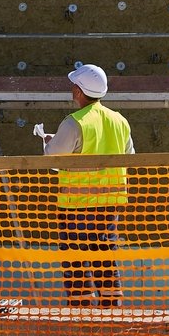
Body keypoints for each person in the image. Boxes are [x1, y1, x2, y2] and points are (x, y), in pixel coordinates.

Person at [41, 63, 134, 308]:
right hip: (109, 206)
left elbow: (53, 157)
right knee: (105, 257)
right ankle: (111, 309)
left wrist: (50, 141)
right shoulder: (120, 121)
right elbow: (129, 155)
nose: (72, 89)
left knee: (75, 259)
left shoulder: (74, 122)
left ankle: (81, 311)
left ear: (80, 91)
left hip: (76, 206)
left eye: (74, 85)